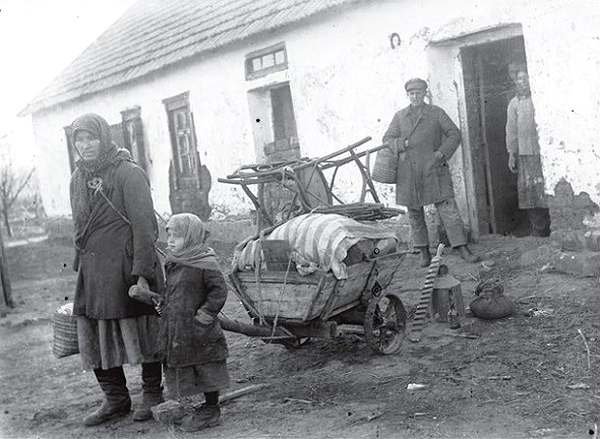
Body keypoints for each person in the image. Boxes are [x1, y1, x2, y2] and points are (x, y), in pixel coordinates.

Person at [69, 113, 164, 426]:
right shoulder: (77, 178)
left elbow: (145, 227)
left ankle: (152, 393)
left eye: (91, 137)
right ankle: (115, 397)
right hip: (94, 270)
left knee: (143, 328)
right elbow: (79, 225)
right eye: (80, 139)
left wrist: (142, 273)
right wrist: (80, 265)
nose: (86, 145)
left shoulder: (129, 173)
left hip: (128, 266)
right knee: (95, 331)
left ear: (104, 138)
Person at [382, 78, 480, 267]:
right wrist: (402, 144)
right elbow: (388, 138)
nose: (415, 96)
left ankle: (462, 248)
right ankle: (424, 252)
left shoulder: (436, 113)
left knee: (448, 210)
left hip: (433, 168)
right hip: (408, 172)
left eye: (418, 93)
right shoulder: (400, 116)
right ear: (407, 95)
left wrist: (441, 153)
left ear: (424, 93)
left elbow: (454, 133)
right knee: (414, 213)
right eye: (411, 93)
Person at [157, 213, 230, 432]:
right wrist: (163, 304)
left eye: (176, 236)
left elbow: (219, 291)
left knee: (207, 367)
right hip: (178, 327)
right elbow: (172, 290)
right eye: (169, 235)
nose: (170, 241)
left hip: (200, 328)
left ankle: (211, 409)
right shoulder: (174, 262)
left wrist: (205, 315)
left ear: (190, 237)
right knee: (185, 365)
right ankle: (190, 406)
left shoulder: (205, 262)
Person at [505, 68, 551, 236]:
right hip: (524, 154)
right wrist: (512, 153)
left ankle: (550, 227)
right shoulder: (513, 104)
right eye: (519, 79)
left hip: (542, 154)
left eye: (525, 78)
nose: (522, 82)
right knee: (529, 192)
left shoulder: (538, 100)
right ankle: (538, 229)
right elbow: (511, 131)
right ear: (515, 82)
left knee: (543, 189)